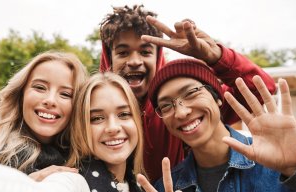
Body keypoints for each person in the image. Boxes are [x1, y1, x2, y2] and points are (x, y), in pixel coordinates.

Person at [98, 5, 276, 182]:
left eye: (145, 52)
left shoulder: (186, 107)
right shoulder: (89, 109)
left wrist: (216, 57)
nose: (135, 61)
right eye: (123, 52)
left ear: (158, 57)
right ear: (109, 59)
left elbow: (261, 88)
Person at [144, 58, 296, 192]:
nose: (181, 113)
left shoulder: (282, 164)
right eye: (166, 105)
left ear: (217, 98)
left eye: (191, 93)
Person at [67, 72, 195, 192]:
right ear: (80, 127)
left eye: (124, 114)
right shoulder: (68, 187)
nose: (113, 128)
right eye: (97, 118)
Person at [0, 51, 88, 177]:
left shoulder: (85, 160)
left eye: (65, 94)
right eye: (40, 87)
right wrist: (27, 184)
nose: (50, 100)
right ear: (21, 95)